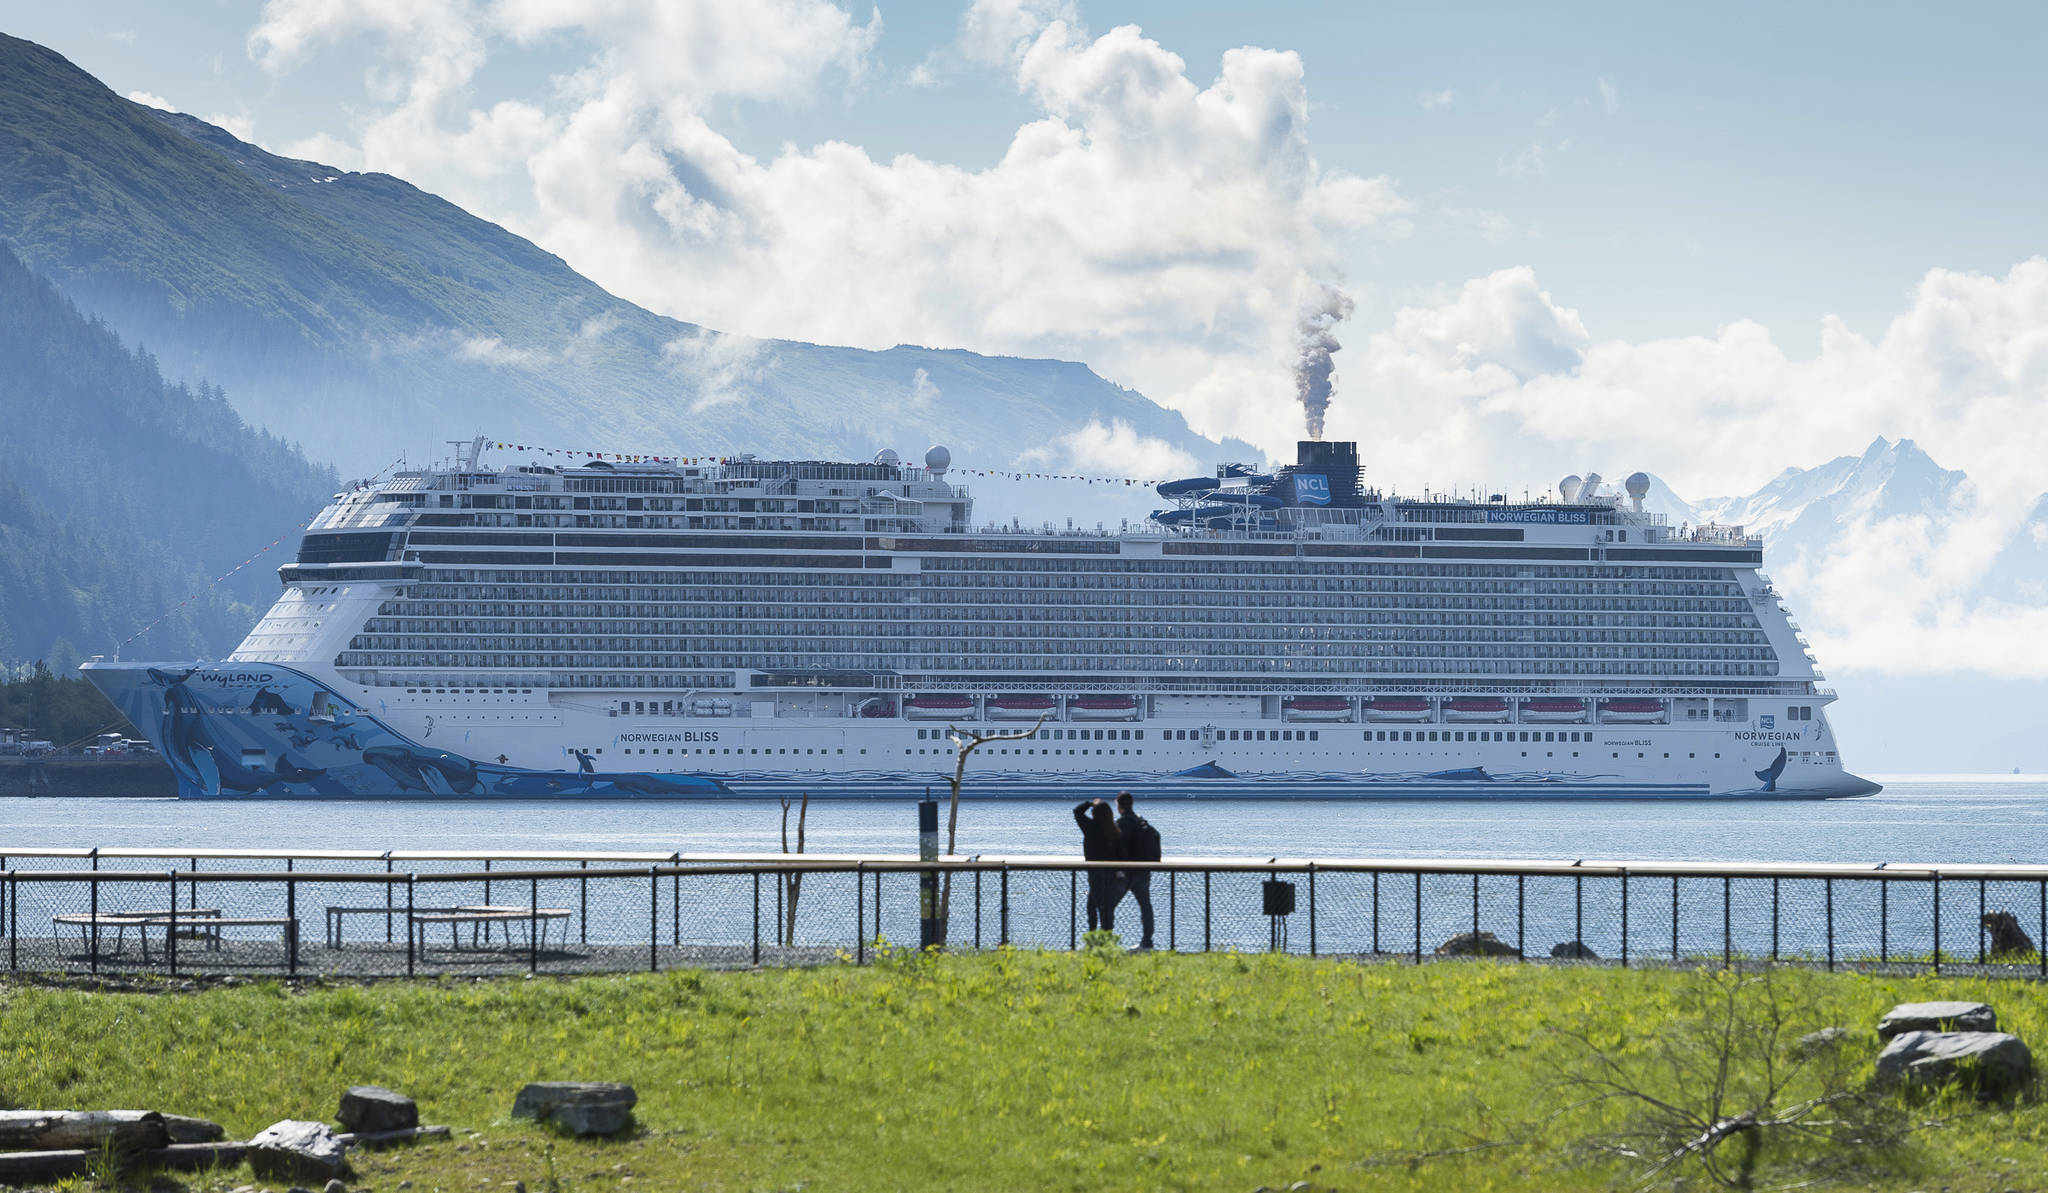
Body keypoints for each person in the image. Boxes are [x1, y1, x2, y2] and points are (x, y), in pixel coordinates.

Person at [1112, 790, 1160, 949]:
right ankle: (1147, 942)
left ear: (1118, 805)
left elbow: (1119, 847)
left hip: (1126, 872)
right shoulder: (1142, 822)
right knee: (1146, 907)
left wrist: (1118, 868)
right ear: (1131, 804)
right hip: (1143, 870)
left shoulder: (1123, 823)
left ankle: (1105, 940)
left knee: (1108, 906)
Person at [1071, 798, 1122, 932]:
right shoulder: (1114, 830)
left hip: (1095, 872)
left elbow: (1077, 812)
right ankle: (1106, 933)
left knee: (1094, 906)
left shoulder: (1091, 828)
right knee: (1103, 905)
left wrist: (1089, 803)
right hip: (1111, 873)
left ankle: (1094, 934)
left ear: (1094, 813)